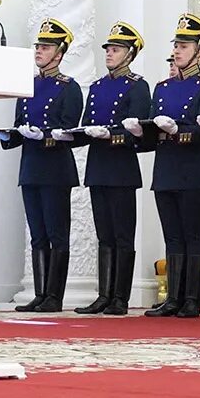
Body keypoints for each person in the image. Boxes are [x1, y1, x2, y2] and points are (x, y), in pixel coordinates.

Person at [142, 14, 200, 318]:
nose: (177, 50)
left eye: (184, 45)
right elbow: (153, 124)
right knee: (172, 236)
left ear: (199, 50)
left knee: (192, 234)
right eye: (176, 45)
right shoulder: (161, 87)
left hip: (193, 168)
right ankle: (173, 297)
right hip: (166, 168)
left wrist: (178, 130)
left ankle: (192, 298)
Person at [68, 21, 151, 316]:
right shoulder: (99, 86)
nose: (109, 53)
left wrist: (113, 135)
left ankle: (120, 297)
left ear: (130, 54)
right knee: (104, 234)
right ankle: (104, 294)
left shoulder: (137, 86)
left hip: (122, 166)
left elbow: (139, 128)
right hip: (99, 165)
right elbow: (87, 120)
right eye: (108, 49)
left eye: (115, 49)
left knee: (122, 234)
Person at [1, 19, 83, 311]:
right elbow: (18, 126)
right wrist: (8, 135)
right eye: (38, 45)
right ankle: (40, 293)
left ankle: (54, 296)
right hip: (31, 167)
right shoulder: (28, 86)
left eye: (46, 47)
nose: (39, 50)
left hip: (55, 168)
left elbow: (70, 130)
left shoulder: (69, 88)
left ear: (59, 53)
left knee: (56, 233)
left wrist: (45, 135)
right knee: (37, 234)